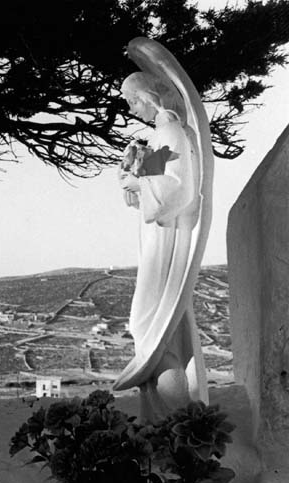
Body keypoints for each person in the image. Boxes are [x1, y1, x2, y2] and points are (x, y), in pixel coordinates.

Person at [112, 71, 207, 421]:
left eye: (132, 101)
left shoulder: (170, 131)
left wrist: (138, 184)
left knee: (148, 327)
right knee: (155, 330)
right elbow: (146, 188)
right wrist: (131, 175)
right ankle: (168, 420)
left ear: (148, 97)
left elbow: (178, 188)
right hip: (157, 237)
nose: (131, 109)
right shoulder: (161, 134)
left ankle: (177, 422)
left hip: (167, 240)